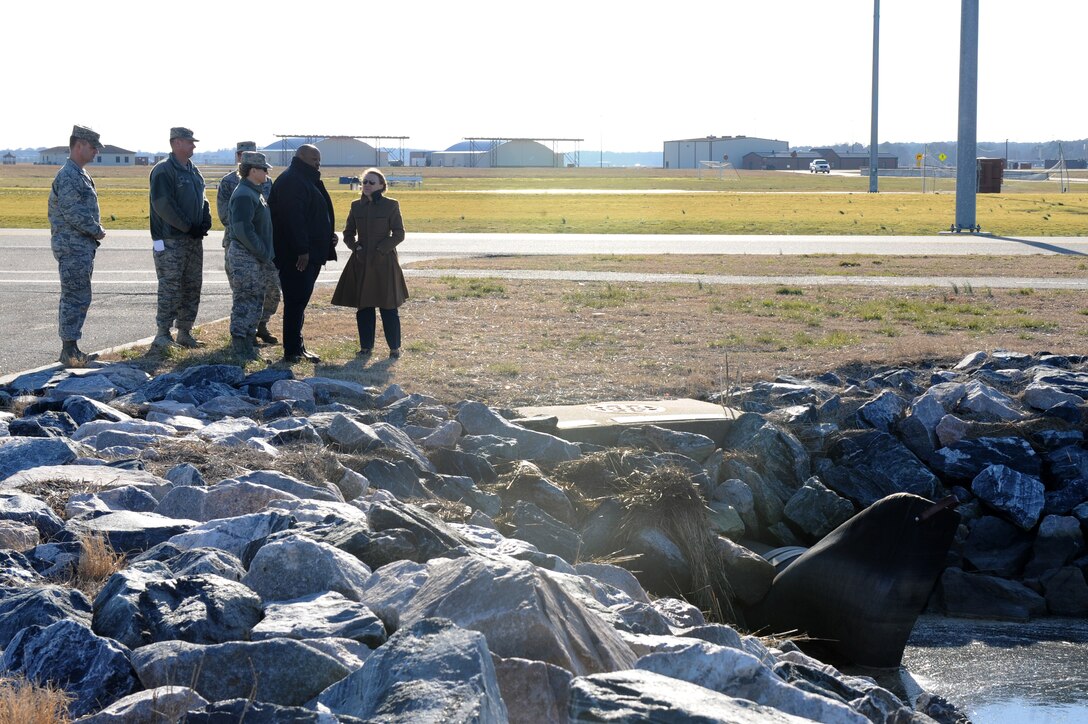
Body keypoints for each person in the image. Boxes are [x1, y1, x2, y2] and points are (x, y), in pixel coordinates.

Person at [268, 144, 337, 364]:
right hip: (296, 256)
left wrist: (328, 237)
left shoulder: (306, 178)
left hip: (310, 252)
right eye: (313, 158)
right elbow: (292, 219)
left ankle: (298, 347)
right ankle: (291, 350)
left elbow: (313, 214)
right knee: (295, 300)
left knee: (300, 301)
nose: (318, 163)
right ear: (300, 157)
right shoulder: (292, 180)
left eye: (319, 159)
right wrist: (302, 250)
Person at [331, 167, 408, 359]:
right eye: (364, 181)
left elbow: (399, 234)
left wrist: (382, 249)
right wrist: (355, 247)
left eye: (371, 182)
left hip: (384, 262)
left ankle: (394, 348)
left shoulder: (391, 205)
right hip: (361, 261)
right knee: (364, 306)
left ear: (382, 186)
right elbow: (348, 233)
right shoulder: (356, 205)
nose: (366, 185)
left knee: (388, 306)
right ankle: (366, 347)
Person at [48, 124, 106, 367]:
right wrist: (98, 230)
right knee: (74, 296)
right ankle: (69, 350)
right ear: (79, 145)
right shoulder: (69, 175)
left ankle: (72, 348)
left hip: (80, 247)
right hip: (72, 247)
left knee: (80, 295)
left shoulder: (79, 173)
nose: (95, 152)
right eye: (92, 147)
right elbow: (74, 213)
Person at [148, 127, 212, 349]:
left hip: (192, 241)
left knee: (192, 285)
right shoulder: (164, 171)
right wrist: (187, 226)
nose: (193, 145)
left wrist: (205, 219)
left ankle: (184, 332)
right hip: (169, 240)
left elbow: (203, 199)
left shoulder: (194, 171)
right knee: (170, 286)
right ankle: (163, 334)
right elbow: (163, 205)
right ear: (176, 143)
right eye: (189, 142)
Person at [218, 140, 279, 345]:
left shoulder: (254, 190)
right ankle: (240, 341)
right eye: (263, 169)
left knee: (259, 295)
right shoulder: (244, 193)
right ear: (253, 171)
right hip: (247, 253)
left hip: (255, 253)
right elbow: (243, 229)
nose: (266, 174)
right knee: (245, 298)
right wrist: (262, 251)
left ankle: (250, 336)